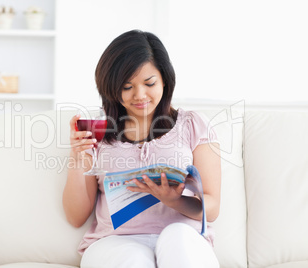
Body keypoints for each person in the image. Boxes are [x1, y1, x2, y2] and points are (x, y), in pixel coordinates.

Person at [63, 29, 221, 268]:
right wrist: (77, 155)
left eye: (149, 83)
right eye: (127, 87)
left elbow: (213, 206)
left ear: (165, 80)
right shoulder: (97, 132)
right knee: (133, 259)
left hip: (182, 236)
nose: (139, 95)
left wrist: (175, 200)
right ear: (112, 88)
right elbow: (76, 217)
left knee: (176, 238)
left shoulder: (193, 125)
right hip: (115, 243)